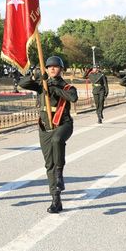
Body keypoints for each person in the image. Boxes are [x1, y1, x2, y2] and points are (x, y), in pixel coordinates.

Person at [19, 56, 78, 213]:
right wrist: (36, 76)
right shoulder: (42, 84)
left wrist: (55, 88)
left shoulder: (66, 86)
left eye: (55, 66)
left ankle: (60, 173)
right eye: (49, 66)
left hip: (63, 124)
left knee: (58, 140)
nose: (52, 69)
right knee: (48, 164)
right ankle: (56, 199)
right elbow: (22, 83)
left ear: (61, 69)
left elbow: (73, 97)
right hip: (45, 127)